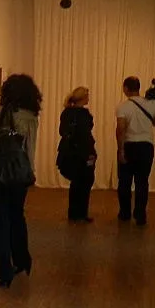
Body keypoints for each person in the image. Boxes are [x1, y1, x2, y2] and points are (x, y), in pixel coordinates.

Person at [0, 74, 41, 287]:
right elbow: (30, 147)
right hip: (21, 173)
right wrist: (29, 171)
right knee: (17, 216)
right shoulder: (32, 116)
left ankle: (4, 272)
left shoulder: (1, 113)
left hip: (0, 174)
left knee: (0, 222)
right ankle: (22, 260)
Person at [116, 76, 155, 225]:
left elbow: (121, 129)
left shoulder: (123, 107)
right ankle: (140, 215)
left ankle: (125, 213)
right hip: (146, 147)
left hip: (130, 145)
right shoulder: (152, 103)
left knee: (124, 181)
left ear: (126, 88)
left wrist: (120, 150)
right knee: (142, 182)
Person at [57, 87, 97, 222]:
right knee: (85, 182)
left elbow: (63, 131)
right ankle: (81, 213)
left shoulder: (66, 113)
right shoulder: (84, 115)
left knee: (76, 182)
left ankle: (74, 213)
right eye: (87, 95)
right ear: (83, 98)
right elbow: (85, 136)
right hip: (82, 152)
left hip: (70, 152)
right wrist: (90, 153)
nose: (89, 98)